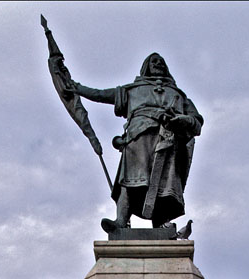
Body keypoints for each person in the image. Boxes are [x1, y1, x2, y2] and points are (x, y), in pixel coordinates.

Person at [70, 53, 203, 232]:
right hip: (137, 139)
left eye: (161, 61)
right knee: (129, 181)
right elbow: (100, 94)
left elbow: (196, 122)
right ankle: (121, 220)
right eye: (154, 61)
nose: (158, 64)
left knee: (164, 186)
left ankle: (161, 226)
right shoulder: (132, 90)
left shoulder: (178, 95)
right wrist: (75, 87)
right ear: (146, 66)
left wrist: (181, 120)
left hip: (168, 142)